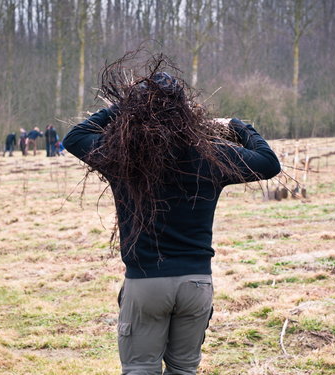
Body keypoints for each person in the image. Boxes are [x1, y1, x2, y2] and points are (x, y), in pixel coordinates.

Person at [63, 55, 281, 374]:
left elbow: (74, 138)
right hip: (196, 284)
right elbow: (268, 163)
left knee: (141, 368)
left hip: (147, 283)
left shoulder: (123, 155)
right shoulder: (212, 155)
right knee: (183, 370)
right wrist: (237, 126)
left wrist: (122, 107)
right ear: (185, 113)